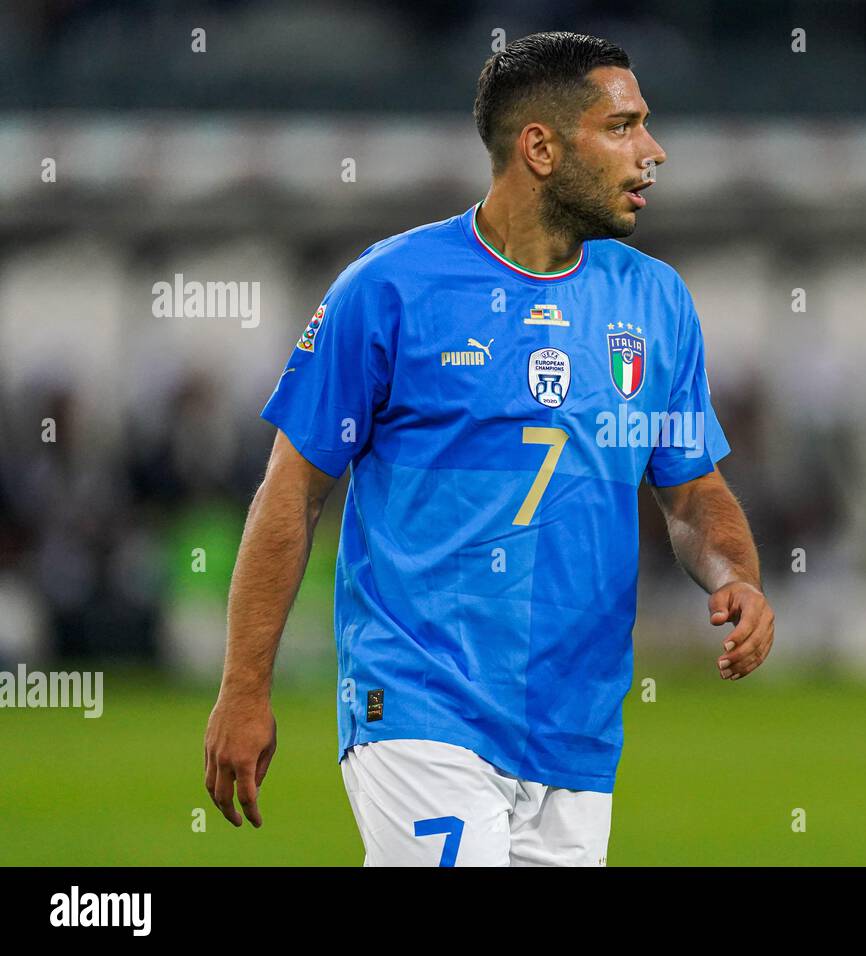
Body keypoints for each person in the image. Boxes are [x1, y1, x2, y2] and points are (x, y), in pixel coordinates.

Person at [203, 31, 774, 866]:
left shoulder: (655, 301)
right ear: (539, 148)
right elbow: (292, 491)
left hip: (575, 730)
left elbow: (691, 491)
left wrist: (737, 577)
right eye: (623, 127)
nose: (652, 151)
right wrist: (245, 687)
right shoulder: (389, 289)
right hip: (420, 702)